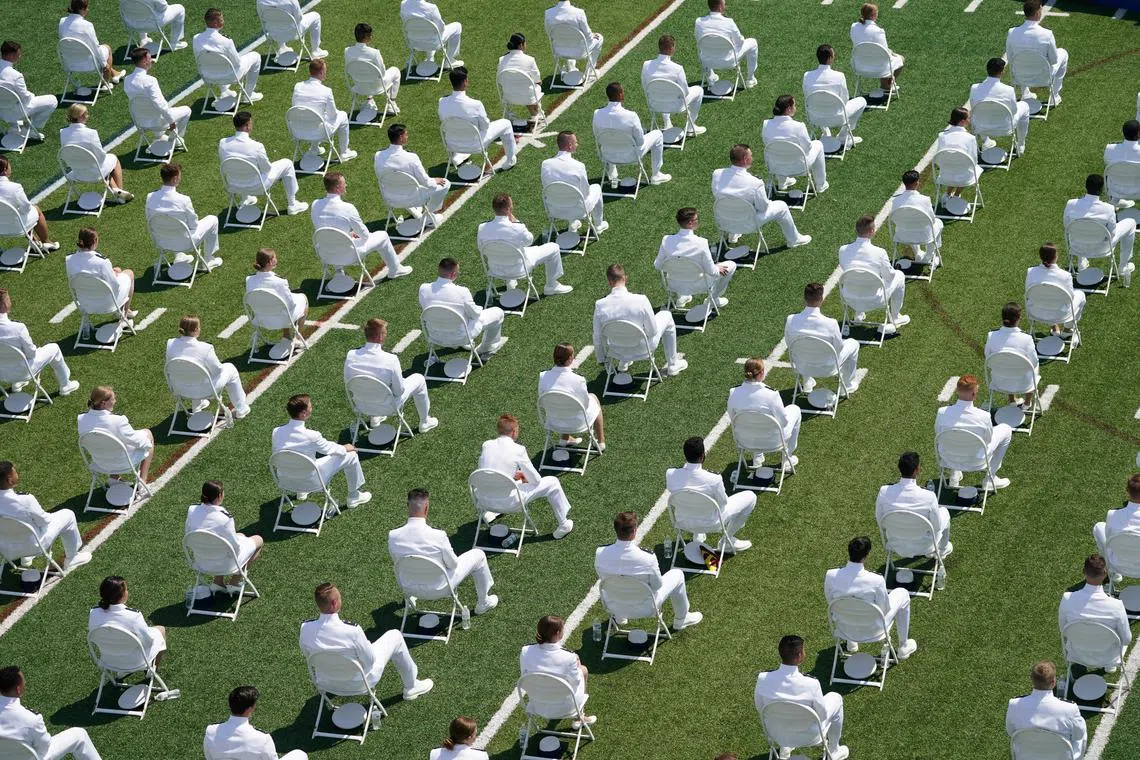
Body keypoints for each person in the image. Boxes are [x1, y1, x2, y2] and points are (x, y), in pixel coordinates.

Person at [299, 583, 433, 706]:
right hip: (361, 683)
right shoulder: (352, 630)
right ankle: (411, 686)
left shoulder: (305, 628)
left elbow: (308, 656)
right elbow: (370, 661)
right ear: (334, 603)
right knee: (395, 636)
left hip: (326, 682)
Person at [388, 488, 499, 613]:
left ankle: (409, 599)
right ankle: (483, 603)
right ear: (426, 508)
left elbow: (398, 562)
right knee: (479, 555)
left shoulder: (393, 535)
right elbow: (453, 564)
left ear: (407, 506)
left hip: (409, 587)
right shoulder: (438, 536)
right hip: (440, 588)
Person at [595, 511, 703, 630]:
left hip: (613, 605)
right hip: (646, 608)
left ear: (616, 530)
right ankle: (682, 619)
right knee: (677, 574)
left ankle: (621, 617)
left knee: (616, 582)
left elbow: (604, 577)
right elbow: (657, 586)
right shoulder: (647, 558)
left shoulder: (600, 553)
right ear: (635, 531)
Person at [477, 413, 576, 539]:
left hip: (484, 500)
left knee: (507, 481)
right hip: (509, 503)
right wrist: (523, 476)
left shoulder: (486, 445)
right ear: (514, 431)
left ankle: (491, 512)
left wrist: (514, 475)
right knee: (553, 482)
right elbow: (536, 480)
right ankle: (564, 524)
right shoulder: (518, 450)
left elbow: (489, 472)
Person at [754, 635, 849, 760]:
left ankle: (785, 746)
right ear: (800, 655)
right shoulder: (811, 684)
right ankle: (834, 750)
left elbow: (760, 709)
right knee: (835, 698)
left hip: (777, 733)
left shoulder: (762, 679)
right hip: (810, 736)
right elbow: (822, 715)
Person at [825, 536, 917, 658]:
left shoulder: (830, 575)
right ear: (867, 555)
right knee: (903, 593)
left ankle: (851, 643)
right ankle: (903, 647)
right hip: (874, 630)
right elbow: (884, 609)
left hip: (845, 628)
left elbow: (831, 602)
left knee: (845, 605)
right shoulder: (876, 580)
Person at [272, 394, 371, 507]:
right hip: (313, 481)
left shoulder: (276, 432)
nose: (312, 407)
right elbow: (330, 449)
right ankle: (354, 497)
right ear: (304, 413)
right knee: (351, 455)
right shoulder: (312, 436)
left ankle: (301, 492)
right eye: (310, 406)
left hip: (286, 481)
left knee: (297, 460)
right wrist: (345, 448)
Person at [343, 317, 437, 432]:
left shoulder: (350, 355)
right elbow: (399, 392)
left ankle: (375, 418)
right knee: (419, 379)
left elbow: (350, 383)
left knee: (369, 383)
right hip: (388, 407)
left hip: (361, 406)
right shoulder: (391, 360)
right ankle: (425, 422)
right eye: (385, 333)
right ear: (380, 336)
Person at [593, 263, 687, 376]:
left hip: (616, 350)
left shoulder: (600, 305)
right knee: (666, 315)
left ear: (609, 281)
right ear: (625, 278)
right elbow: (652, 331)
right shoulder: (641, 300)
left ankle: (624, 362)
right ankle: (672, 365)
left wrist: (601, 359)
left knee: (622, 329)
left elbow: (597, 336)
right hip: (643, 348)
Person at [666, 436, 756, 553]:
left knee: (692, 501)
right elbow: (723, 503)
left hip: (683, 521)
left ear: (685, 455)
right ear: (703, 456)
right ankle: (726, 541)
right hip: (712, 524)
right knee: (751, 497)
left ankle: (698, 534)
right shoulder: (714, 479)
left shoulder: (670, 474)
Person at [710, 144, 811, 248]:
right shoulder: (755, 183)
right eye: (751, 155)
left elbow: (718, 194)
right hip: (748, 223)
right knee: (782, 207)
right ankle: (794, 239)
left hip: (724, 221)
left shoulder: (717, 174)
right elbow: (763, 208)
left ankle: (733, 234)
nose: (752, 158)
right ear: (745, 159)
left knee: (733, 203)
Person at [312, 172, 408, 278]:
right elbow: (365, 235)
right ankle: (396, 269)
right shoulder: (348, 208)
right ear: (338, 188)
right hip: (349, 255)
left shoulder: (315, 205)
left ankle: (339, 273)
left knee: (334, 239)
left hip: (326, 254)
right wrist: (353, 235)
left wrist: (349, 235)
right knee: (383, 236)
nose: (346, 185)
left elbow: (327, 229)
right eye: (344, 183)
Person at [0, 461, 91, 570]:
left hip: (7, 549)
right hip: (35, 545)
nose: (17, 474)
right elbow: (44, 521)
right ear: (9, 479)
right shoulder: (25, 500)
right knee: (68, 515)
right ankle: (72, 558)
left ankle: (26, 557)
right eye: (15, 472)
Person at [477, 193, 571, 295]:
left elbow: (481, 248)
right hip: (519, 268)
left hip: (496, 269)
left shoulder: (482, 228)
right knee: (554, 247)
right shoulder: (517, 227)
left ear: (494, 209)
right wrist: (515, 220)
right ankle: (551, 286)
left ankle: (509, 282)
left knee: (505, 251)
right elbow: (529, 241)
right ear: (508, 209)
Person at [0, 666, 102, 760]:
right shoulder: (31, 718)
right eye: (24, 682)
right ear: (18, 689)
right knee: (80, 735)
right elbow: (44, 748)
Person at [219, 111, 307, 216]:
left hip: (233, 185)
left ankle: (246, 198)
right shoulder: (256, 146)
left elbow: (227, 165)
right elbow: (266, 169)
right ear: (247, 126)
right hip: (257, 186)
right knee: (287, 164)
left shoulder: (223, 143)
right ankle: (293, 205)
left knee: (239, 169)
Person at [934, 375, 1013, 490]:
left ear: (957, 391)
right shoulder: (984, 416)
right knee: (1006, 429)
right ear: (974, 394)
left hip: (948, 458)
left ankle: (954, 475)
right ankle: (990, 478)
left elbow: (940, 436)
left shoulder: (941, 412)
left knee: (953, 437)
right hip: (977, 460)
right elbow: (988, 440)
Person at [418, 257, 508, 359]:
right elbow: (475, 314)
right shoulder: (462, 292)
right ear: (453, 274)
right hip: (461, 336)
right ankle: (487, 347)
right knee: (498, 312)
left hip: (435, 335)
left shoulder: (423, 289)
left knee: (458, 316)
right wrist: (478, 308)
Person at [185, 480, 263, 592]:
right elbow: (235, 547)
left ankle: (218, 582)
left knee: (240, 535)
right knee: (258, 540)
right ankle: (235, 582)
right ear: (220, 496)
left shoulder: (192, 510)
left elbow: (189, 536)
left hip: (201, 562)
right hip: (226, 565)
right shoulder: (225, 518)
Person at [784, 281, 861, 394]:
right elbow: (838, 349)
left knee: (803, 348)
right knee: (853, 344)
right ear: (821, 299)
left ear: (804, 299)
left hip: (802, 365)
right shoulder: (831, 324)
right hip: (828, 368)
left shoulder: (791, 320)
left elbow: (789, 343)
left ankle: (807, 382)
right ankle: (847, 385)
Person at [167, 315, 250, 417]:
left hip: (179, 388)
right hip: (205, 389)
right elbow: (218, 371)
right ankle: (241, 407)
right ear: (196, 329)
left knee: (192, 373)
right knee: (230, 368)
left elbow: (171, 368)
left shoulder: (170, 344)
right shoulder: (206, 348)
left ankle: (197, 405)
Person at [727, 358, 801, 472]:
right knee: (795, 409)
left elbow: (733, 418)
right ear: (761, 373)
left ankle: (757, 456)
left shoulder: (734, 392)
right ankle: (786, 458)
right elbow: (784, 422)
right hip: (774, 441)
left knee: (751, 422)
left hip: (745, 440)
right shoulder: (772, 395)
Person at [0, 288, 78, 396]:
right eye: (8, 300)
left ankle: (17, 383)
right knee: (54, 348)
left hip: (1, 374)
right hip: (24, 371)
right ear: (4, 305)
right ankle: (65, 385)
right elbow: (32, 353)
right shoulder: (18, 328)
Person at [837, 214, 910, 329]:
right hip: (875, 300)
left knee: (855, 278)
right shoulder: (880, 253)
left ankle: (858, 314)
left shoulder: (842, 250)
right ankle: (895, 317)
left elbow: (847, 270)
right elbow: (890, 277)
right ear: (872, 231)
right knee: (899, 275)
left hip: (849, 298)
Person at [439, 66, 517, 170]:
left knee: (456, 128)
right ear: (465, 82)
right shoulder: (475, 104)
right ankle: (510, 160)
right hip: (475, 144)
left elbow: (445, 125)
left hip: (451, 144)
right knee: (506, 123)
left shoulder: (442, 102)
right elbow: (485, 126)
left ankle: (457, 155)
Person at [592, 82, 670, 186]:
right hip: (631, 155)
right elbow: (640, 142)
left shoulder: (597, 114)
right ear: (620, 95)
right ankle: (656, 175)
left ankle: (611, 173)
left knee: (609, 139)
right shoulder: (631, 116)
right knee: (658, 134)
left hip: (608, 155)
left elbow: (598, 137)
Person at [655, 207, 735, 308]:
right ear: (690, 223)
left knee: (681, 267)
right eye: (697, 219)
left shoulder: (666, 240)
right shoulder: (701, 243)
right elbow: (712, 272)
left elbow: (658, 265)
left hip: (674, 284)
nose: (699, 221)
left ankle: (682, 296)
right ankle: (713, 299)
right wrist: (717, 267)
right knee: (731, 265)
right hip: (699, 285)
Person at [1064, 173, 1135, 287]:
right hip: (1103, 248)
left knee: (1080, 229)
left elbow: (1067, 227)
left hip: (1077, 246)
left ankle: (1081, 263)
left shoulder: (1071, 204)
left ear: (1086, 187)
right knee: (1131, 223)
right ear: (1101, 190)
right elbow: (1112, 233)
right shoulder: (1108, 209)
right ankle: (1123, 267)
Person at [146, 162, 221, 270]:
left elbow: (150, 221)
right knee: (213, 219)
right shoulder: (183, 200)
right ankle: (208, 261)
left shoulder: (150, 197)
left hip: (161, 241)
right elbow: (193, 226)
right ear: (175, 179)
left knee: (171, 226)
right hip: (186, 242)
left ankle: (179, 255)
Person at [875, 452, 952, 557]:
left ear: (899, 469)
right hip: (926, 546)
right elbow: (937, 526)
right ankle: (943, 550)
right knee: (945, 512)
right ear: (917, 470)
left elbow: (881, 522)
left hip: (895, 543)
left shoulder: (884, 491)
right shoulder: (929, 496)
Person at [1005, 662, 1087, 760]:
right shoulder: (1070, 708)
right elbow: (1078, 736)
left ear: (1032, 679)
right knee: (1082, 727)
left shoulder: (1014, 704)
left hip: (1027, 756)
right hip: (1061, 757)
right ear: (1053, 682)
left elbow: (1010, 731)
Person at [204, 685, 307, 760]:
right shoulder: (263, 739)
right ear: (249, 709)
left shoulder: (211, 731)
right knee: (300, 754)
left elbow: (209, 757)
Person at [519, 615, 592, 720]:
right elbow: (575, 683)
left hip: (537, 705)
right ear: (558, 633)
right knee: (583, 670)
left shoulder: (525, 651)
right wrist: (578, 664)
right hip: (566, 707)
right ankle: (579, 717)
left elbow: (524, 676)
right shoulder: (569, 657)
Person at [77, 386, 155, 482]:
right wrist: (147, 444)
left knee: (108, 443)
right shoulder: (118, 421)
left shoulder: (81, 420)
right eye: (113, 399)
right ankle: (142, 481)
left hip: (100, 463)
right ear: (104, 403)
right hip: (123, 463)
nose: (115, 401)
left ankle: (114, 479)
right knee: (148, 435)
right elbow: (138, 441)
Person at [374, 123, 451, 220]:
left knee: (401, 182)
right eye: (406, 134)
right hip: (413, 198)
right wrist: (434, 180)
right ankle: (428, 217)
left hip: (391, 198)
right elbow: (426, 183)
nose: (407, 136)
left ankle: (414, 210)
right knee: (446, 184)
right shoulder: (411, 158)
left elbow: (380, 176)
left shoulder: (378, 156)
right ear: (401, 137)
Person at [537, 344, 604, 450]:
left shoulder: (543, 376)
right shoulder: (578, 379)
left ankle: (565, 439)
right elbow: (585, 405)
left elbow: (542, 402)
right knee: (594, 398)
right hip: (578, 423)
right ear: (569, 359)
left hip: (554, 421)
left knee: (562, 404)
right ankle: (601, 442)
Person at [1058, 554, 1132, 650]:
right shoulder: (1116, 606)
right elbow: (1126, 639)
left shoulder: (1066, 599)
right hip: (1108, 656)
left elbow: (1063, 630)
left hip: (1077, 653)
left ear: (1084, 572)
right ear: (1105, 573)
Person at [61, 105, 132, 203]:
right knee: (113, 159)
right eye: (85, 114)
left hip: (76, 173)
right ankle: (120, 194)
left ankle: (116, 190)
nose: (87, 116)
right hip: (95, 173)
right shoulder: (91, 133)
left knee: (105, 166)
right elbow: (101, 158)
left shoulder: (63, 132)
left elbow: (66, 154)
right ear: (79, 116)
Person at [540, 130, 608, 233]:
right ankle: (598, 225)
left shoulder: (545, 164)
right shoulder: (578, 166)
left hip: (554, 209)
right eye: (576, 142)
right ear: (570, 146)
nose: (577, 144)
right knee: (596, 188)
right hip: (578, 210)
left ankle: (573, 223)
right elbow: (586, 194)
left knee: (566, 193)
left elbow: (546, 186)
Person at [88, 576, 166, 665]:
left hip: (108, 660)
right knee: (161, 629)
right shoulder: (134, 616)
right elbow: (148, 642)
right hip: (135, 661)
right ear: (123, 595)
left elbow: (94, 637)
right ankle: (151, 670)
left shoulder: (93, 612)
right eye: (126, 590)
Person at [193, 8, 263, 105]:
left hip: (208, 76)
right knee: (255, 56)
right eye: (221, 19)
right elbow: (237, 63)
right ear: (215, 23)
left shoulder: (196, 38)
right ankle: (248, 94)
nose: (223, 20)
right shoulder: (226, 41)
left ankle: (224, 91)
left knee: (218, 62)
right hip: (229, 76)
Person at [802, 44, 865, 149]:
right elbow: (845, 100)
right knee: (862, 101)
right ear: (830, 58)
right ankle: (844, 135)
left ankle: (825, 131)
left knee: (819, 103)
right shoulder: (839, 76)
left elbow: (807, 97)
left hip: (815, 117)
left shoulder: (807, 76)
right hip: (838, 118)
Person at [123, 48, 192, 144]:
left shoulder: (127, 80)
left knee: (152, 109)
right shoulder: (150, 81)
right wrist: (171, 121)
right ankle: (174, 141)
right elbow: (160, 105)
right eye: (149, 58)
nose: (151, 60)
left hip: (141, 122)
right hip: (158, 122)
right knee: (187, 110)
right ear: (144, 61)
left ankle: (158, 136)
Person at [292, 59, 355, 162]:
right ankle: (344, 152)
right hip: (318, 132)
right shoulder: (326, 91)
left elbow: (295, 107)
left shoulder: (298, 86)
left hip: (298, 130)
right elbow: (333, 115)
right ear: (321, 72)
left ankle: (314, 148)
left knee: (316, 115)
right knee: (342, 115)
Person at [65, 228, 137, 319]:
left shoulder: (69, 259)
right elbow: (115, 286)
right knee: (129, 273)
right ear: (94, 241)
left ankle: (125, 312)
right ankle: (124, 314)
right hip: (108, 303)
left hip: (85, 303)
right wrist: (115, 275)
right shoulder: (103, 262)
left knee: (117, 269)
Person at [1006, 0, 1067, 106]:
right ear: (1038, 12)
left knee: (1021, 58)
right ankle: (1054, 96)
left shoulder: (1012, 33)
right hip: (1043, 77)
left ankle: (1025, 93)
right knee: (1063, 53)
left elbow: (1010, 58)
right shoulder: (1047, 34)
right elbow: (1054, 60)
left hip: (1019, 77)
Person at [762, 95, 828, 194]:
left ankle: (782, 182)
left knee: (778, 151)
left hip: (776, 166)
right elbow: (808, 147)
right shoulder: (799, 127)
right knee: (818, 144)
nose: (795, 107)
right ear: (789, 108)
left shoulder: (766, 124)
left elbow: (768, 144)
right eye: (794, 105)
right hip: (799, 166)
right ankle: (821, 185)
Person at [641, 35, 705, 137]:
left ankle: (667, 122)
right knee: (699, 90)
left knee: (661, 92)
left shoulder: (646, 65)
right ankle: (689, 126)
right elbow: (685, 92)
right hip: (676, 106)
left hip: (654, 104)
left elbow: (645, 87)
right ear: (671, 49)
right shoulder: (677, 69)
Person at [246, 248, 308, 344]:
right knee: (303, 299)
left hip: (260, 320)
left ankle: (286, 336)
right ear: (270, 262)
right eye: (275, 257)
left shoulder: (249, 279)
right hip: (281, 319)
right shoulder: (280, 281)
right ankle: (297, 337)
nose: (276, 259)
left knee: (280, 305)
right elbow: (291, 304)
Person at [970, 57, 1029, 157]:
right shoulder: (1009, 90)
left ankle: (986, 141)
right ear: (1001, 72)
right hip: (1005, 127)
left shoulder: (974, 88)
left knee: (979, 113)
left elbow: (974, 109)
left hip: (981, 127)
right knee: (1025, 106)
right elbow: (1014, 111)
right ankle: (1020, 144)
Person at [0, 41, 58, 143]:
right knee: (52, 100)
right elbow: (26, 99)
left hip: (1, 112)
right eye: (18, 54)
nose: (20, 56)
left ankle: (15, 126)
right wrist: (32, 95)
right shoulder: (15, 76)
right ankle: (29, 130)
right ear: (12, 55)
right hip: (13, 112)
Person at [58, 0, 124, 88]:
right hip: (89, 64)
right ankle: (105, 83)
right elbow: (95, 47)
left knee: (94, 52)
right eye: (86, 7)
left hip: (69, 62)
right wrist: (105, 65)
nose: (87, 10)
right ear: (82, 9)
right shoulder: (87, 25)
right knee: (107, 48)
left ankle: (115, 74)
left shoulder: (62, 22)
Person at [984, 302, 1039, 408]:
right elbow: (1034, 362)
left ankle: (1012, 400)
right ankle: (1027, 403)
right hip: (1024, 384)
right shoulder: (1026, 339)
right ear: (1019, 317)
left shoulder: (991, 336)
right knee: (1034, 366)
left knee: (1004, 362)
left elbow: (988, 358)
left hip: (999, 381)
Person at [1025, 243, 1084, 341]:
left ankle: (1053, 327)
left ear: (1040, 257)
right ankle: (1067, 329)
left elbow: (1029, 294)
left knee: (1046, 299)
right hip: (1061, 314)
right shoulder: (1065, 275)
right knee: (1081, 295)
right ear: (1056, 256)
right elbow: (1070, 298)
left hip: (1036, 311)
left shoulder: (1031, 271)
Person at [694, 0, 758, 89]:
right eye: (725, 3)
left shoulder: (699, 22)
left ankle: (710, 77)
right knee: (753, 42)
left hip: (707, 60)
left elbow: (699, 40)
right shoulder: (729, 22)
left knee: (705, 47)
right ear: (720, 6)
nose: (726, 5)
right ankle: (750, 79)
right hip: (729, 61)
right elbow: (740, 42)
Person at [889, 169, 942, 268]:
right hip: (924, 236)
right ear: (917, 183)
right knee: (938, 223)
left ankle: (917, 252)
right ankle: (928, 256)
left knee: (909, 224)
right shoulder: (925, 200)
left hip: (902, 235)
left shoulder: (896, 201)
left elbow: (894, 219)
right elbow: (932, 220)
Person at [345, 23, 400, 115]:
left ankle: (369, 99)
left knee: (364, 74)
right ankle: (391, 103)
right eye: (370, 35)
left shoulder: (347, 51)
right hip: (376, 87)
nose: (372, 37)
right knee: (395, 71)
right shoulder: (375, 53)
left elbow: (350, 71)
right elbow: (382, 73)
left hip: (359, 86)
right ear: (367, 37)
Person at [850, 3, 902, 92]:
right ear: (874, 15)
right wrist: (893, 53)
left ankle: (886, 84)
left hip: (859, 66)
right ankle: (886, 85)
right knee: (901, 59)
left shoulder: (854, 27)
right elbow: (885, 52)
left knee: (883, 59)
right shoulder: (879, 31)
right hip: (879, 69)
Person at [545, 0, 602, 77]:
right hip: (579, 52)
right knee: (599, 38)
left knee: (568, 38)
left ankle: (571, 66)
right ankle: (590, 72)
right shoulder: (579, 13)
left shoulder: (548, 13)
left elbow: (549, 34)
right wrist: (592, 35)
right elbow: (588, 36)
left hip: (558, 50)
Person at [934, 107, 979, 205]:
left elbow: (938, 159)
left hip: (945, 176)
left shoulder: (942, 136)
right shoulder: (970, 139)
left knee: (954, 168)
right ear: (963, 121)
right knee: (973, 168)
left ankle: (947, 194)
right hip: (965, 177)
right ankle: (956, 195)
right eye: (968, 118)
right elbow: (974, 161)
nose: (969, 120)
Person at [400, 0, 463, 68]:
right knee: (457, 26)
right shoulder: (431, 8)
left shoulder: (403, 4)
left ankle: (429, 57)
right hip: (433, 43)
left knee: (425, 31)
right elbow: (441, 28)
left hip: (413, 42)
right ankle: (448, 62)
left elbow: (405, 22)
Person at [1093, 474, 1140, 565]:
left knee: (1099, 527)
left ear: (1127, 492)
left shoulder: (1112, 515)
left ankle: (1113, 574)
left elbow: (1109, 539)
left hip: (1119, 564)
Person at [256, 0, 327, 59]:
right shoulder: (291, 1)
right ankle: (315, 51)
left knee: (277, 21)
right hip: (293, 33)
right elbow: (299, 19)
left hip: (273, 33)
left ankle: (282, 47)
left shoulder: (260, 1)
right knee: (316, 16)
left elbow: (262, 18)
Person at [498, 33, 541, 126]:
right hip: (528, 98)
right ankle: (537, 113)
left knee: (525, 88)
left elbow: (500, 80)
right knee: (536, 87)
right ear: (521, 45)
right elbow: (537, 79)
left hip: (508, 97)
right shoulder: (530, 60)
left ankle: (509, 114)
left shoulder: (502, 59)